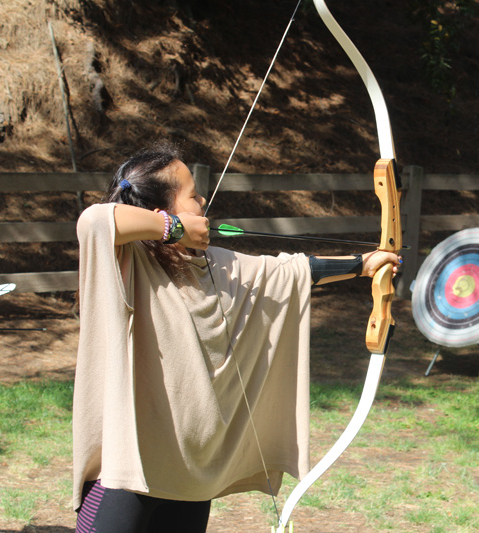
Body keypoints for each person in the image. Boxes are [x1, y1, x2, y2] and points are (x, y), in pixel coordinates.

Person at [73, 144, 401, 532]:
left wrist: (364, 265)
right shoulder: (125, 262)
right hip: (128, 473)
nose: (202, 201)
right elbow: (95, 220)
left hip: (191, 479)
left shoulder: (215, 265)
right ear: (162, 211)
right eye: (193, 195)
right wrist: (175, 228)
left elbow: (291, 273)